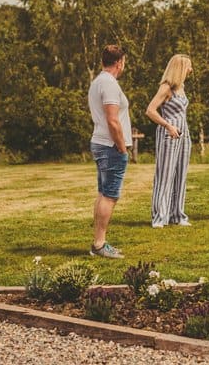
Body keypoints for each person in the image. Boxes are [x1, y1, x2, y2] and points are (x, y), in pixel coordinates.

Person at [88, 44, 132, 259]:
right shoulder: (109, 84)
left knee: (103, 193)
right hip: (110, 145)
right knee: (109, 195)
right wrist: (122, 147)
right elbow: (113, 120)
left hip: (100, 142)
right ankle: (99, 243)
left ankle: (98, 243)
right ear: (119, 62)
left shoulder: (98, 82)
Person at [145, 54, 193, 228]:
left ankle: (177, 215)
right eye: (188, 66)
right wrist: (167, 125)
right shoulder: (166, 88)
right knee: (165, 175)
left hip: (184, 134)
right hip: (169, 134)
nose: (191, 70)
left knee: (181, 175)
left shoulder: (182, 87)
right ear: (180, 68)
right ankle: (159, 216)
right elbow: (150, 110)